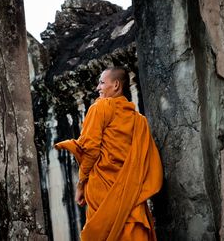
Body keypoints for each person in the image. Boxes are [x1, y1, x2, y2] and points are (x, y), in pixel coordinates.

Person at [54, 66, 163, 240]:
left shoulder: (101, 108)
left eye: (102, 82)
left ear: (116, 85)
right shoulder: (139, 121)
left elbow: (89, 150)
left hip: (104, 194)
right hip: (131, 196)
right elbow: (149, 165)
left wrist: (81, 185)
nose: (97, 87)